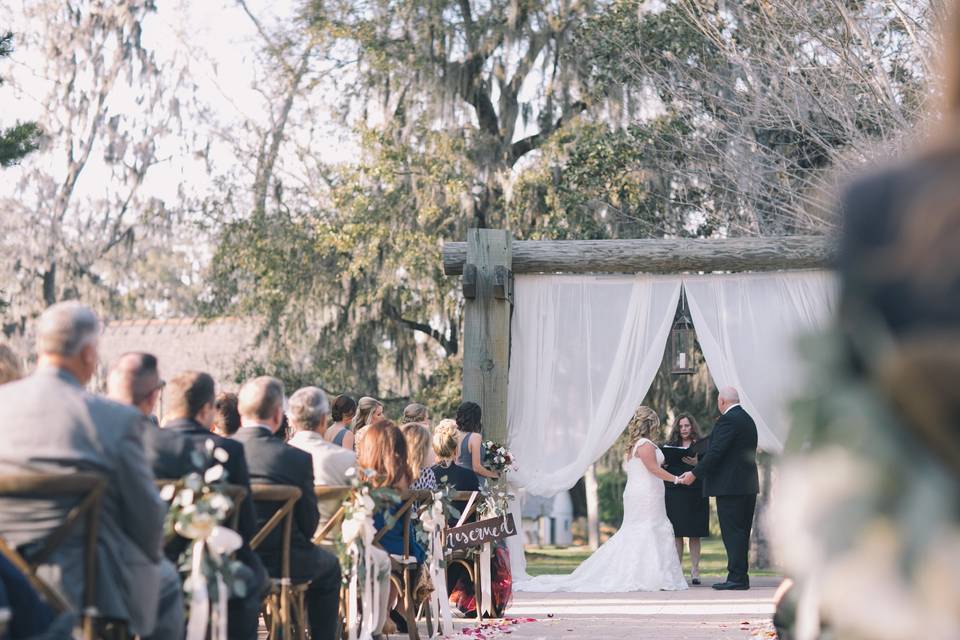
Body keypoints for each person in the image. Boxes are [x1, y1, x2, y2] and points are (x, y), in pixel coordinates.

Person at [0, 302, 182, 639]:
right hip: (88, 586)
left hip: (6, 578)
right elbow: (146, 520)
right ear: (87, 354)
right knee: (168, 582)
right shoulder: (114, 418)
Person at [517, 406, 687, 593]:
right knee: (647, 528)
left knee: (644, 529)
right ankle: (648, 576)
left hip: (642, 492)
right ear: (651, 423)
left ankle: (649, 574)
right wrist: (677, 479)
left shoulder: (634, 445)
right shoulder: (645, 444)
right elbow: (653, 469)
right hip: (645, 494)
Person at [152, 371, 268, 640]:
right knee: (254, 576)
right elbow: (246, 525)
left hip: (154, 560)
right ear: (207, 410)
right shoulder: (230, 451)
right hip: (218, 562)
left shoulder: (144, 445)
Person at [232, 376, 342, 640]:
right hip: (287, 561)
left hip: (232, 558)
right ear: (279, 415)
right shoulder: (295, 459)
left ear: (240, 410)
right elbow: (308, 523)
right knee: (331, 568)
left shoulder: (220, 450)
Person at [286, 386, 391, 638]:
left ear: (291, 420)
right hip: (336, 549)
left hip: (285, 550)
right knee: (382, 560)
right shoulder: (344, 459)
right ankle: (372, 631)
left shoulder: (281, 455)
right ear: (323, 420)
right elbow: (366, 502)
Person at [680, 387, 760, 590]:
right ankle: (739, 576)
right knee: (740, 533)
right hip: (747, 486)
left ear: (722, 401)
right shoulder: (747, 419)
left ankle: (736, 578)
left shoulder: (728, 420)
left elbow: (716, 452)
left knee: (732, 533)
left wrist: (694, 473)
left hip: (731, 487)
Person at [662, 413, 710, 585]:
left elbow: (709, 467)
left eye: (687, 426)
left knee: (694, 533)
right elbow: (663, 468)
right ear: (677, 428)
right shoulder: (670, 445)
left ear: (692, 427)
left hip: (695, 491)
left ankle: (695, 571)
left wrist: (697, 465)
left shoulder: (702, 446)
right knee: (677, 534)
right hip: (675, 492)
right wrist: (664, 464)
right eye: (681, 426)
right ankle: (677, 571)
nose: (683, 429)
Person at [430, 419, 479, 526]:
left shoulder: (428, 475)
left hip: (432, 536)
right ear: (456, 448)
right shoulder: (469, 476)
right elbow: (478, 511)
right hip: (464, 536)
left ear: (435, 448)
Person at [453, 402, 498, 479]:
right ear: (476, 418)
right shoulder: (475, 437)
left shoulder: (455, 435)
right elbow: (476, 468)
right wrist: (494, 474)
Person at [401, 422, 437, 491]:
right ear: (420, 451)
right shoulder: (427, 474)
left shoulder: (427, 473)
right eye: (430, 447)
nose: (432, 451)